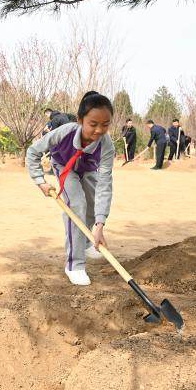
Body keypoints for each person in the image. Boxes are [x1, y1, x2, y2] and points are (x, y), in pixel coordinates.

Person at [27, 91, 116, 286]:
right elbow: (33, 151)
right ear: (80, 120)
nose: (99, 130)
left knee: (92, 207)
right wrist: (40, 180)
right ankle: (74, 265)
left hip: (88, 169)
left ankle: (84, 242)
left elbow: (104, 185)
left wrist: (100, 226)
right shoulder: (64, 131)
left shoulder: (107, 146)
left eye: (105, 124)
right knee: (76, 205)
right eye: (93, 124)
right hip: (64, 166)